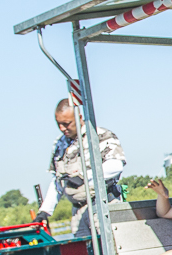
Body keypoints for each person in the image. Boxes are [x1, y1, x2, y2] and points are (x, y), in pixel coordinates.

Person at [35, 98, 126, 238]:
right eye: (58, 124)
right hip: (78, 213)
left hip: (101, 205)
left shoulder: (98, 135)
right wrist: (45, 211)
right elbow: (58, 182)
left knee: (112, 249)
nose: (62, 128)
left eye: (66, 124)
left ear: (79, 117)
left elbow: (116, 165)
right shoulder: (60, 144)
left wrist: (85, 176)